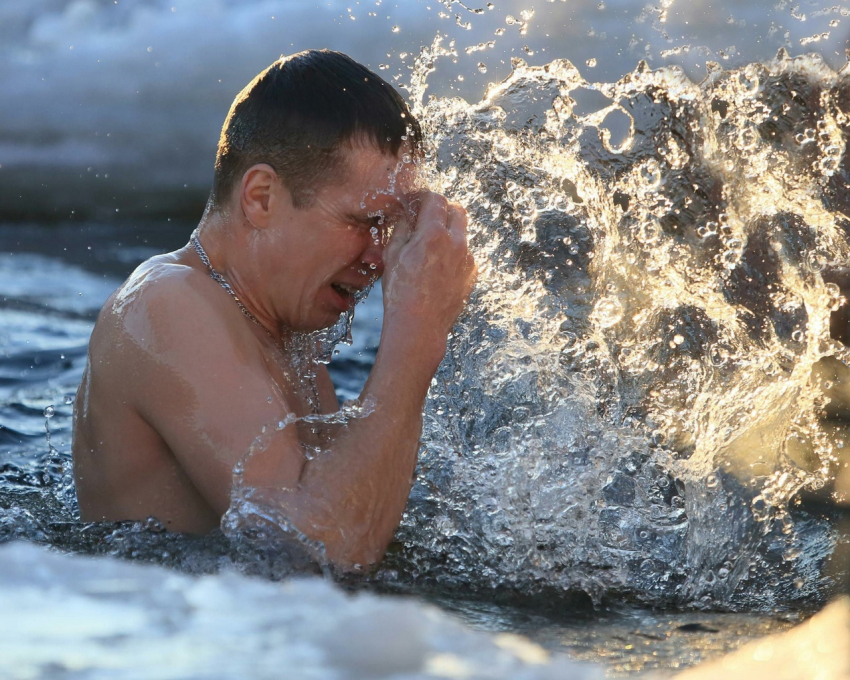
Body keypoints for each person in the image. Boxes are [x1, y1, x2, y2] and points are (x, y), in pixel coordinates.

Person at [72, 50, 476, 570]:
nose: (380, 258)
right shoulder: (165, 304)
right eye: (363, 222)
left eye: (391, 231)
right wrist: (418, 326)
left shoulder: (282, 325)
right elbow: (323, 553)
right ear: (261, 197)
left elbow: (353, 503)